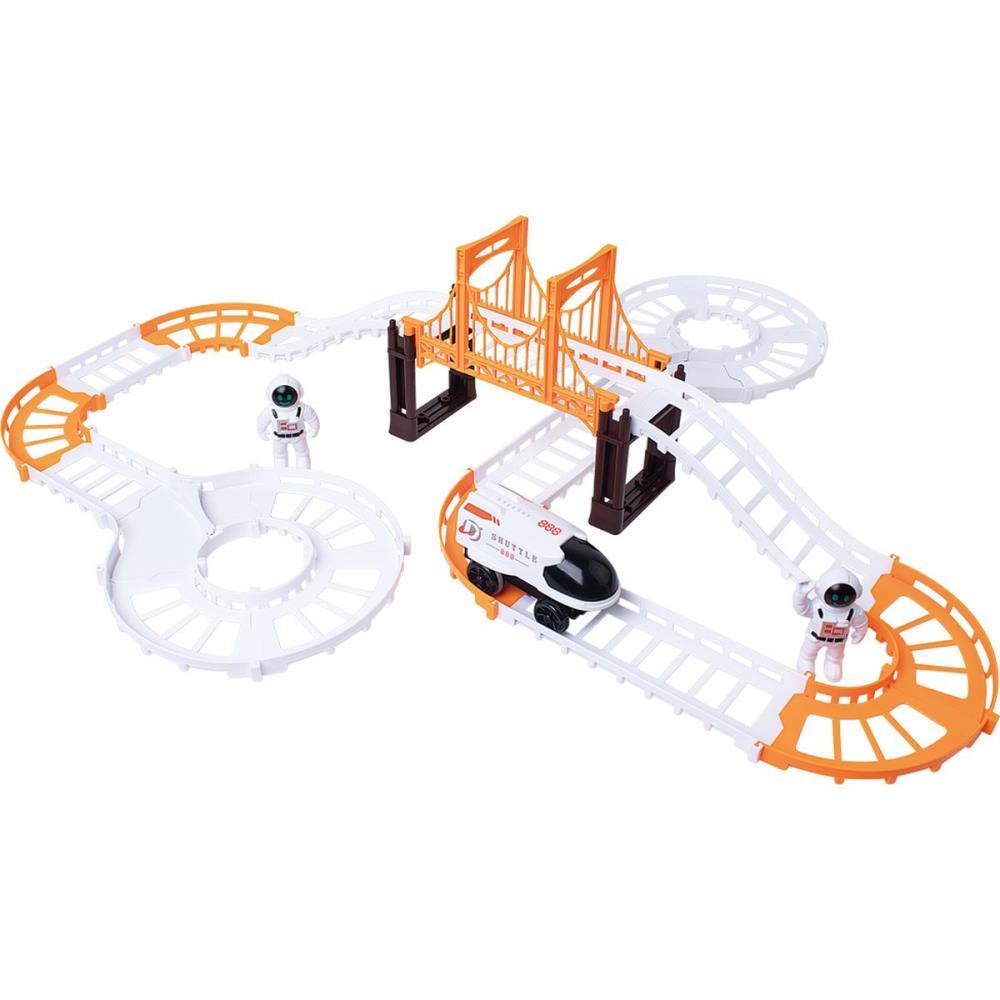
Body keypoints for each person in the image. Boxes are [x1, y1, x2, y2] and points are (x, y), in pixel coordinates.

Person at [793, 567, 868, 682]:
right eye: (835, 597)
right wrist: (800, 595)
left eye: (846, 597)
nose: (840, 601)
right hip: (814, 639)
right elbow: (802, 610)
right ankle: (806, 661)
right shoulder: (817, 606)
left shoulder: (854, 611)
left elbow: (861, 623)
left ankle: (833, 662)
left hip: (838, 642)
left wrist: (860, 633)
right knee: (807, 654)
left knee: (836, 657)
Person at [257, 374, 319, 468]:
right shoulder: (270, 411)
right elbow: (262, 421)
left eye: (289, 397)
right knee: (279, 456)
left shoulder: (302, 408)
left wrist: (314, 428)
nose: (284, 399)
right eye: (280, 397)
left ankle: (303, 472)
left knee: (302, 454)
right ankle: (281, 473)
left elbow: (312, 419)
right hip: (279, 439)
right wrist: (262, 431)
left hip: (298, 437)